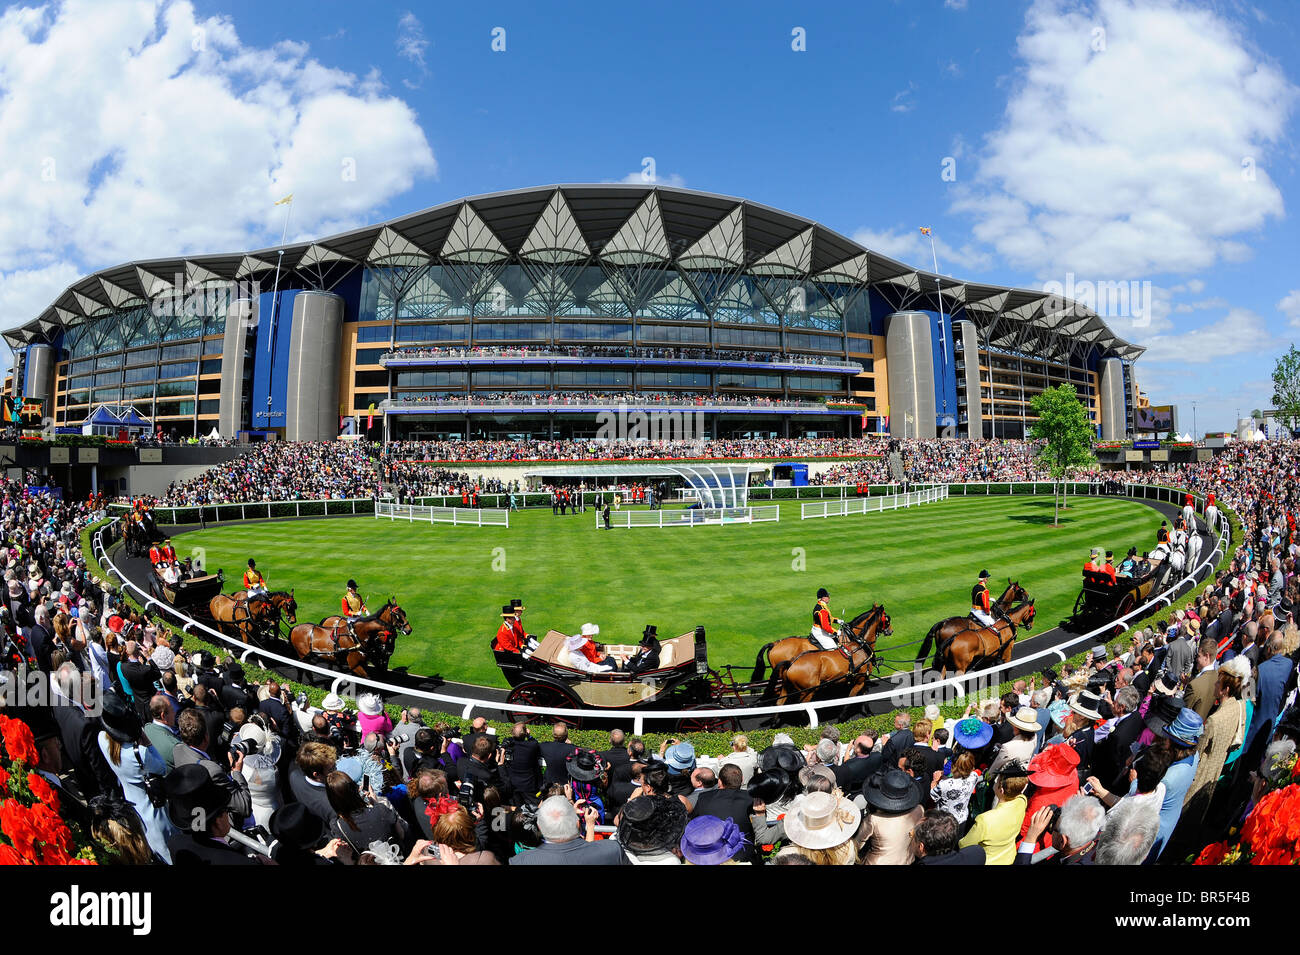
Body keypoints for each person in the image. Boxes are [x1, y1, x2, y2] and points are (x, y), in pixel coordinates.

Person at [509, 795, 626, 865]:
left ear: (539, 827)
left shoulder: (521, 861)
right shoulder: (613, 849)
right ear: (577, 822)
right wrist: (589, 826)